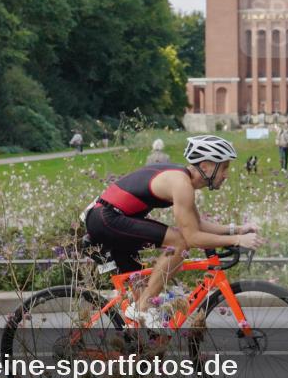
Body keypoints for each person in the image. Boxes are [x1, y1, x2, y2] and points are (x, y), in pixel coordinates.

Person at [81, 135, 265, 327]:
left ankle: (140, 346)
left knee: (144, 313)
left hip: (111, 219)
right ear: (205, 167)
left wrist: (236, 230)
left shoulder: (183, 181)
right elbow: (192, 237)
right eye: (224, 167)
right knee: (179, 243)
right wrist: (236, 240)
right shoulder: (181, 184)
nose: (226, 174)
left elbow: (197, 224)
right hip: (106, 219)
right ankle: (142, 306)